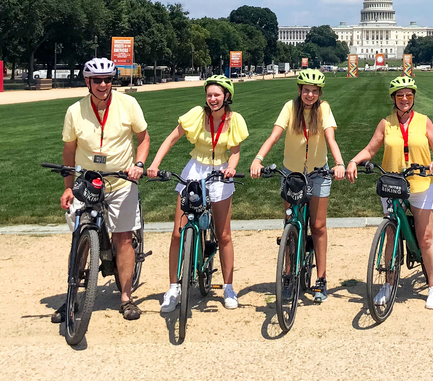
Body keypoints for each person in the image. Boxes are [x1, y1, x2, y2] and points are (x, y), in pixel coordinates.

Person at [55, 57, 150, 322]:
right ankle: (73, 296)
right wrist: (67, 188)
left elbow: (143, 139)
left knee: (123, 239)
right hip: (87, 182)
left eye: (108, 79)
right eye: (97, 80)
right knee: (80, 237)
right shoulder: (75, 111)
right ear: (87, 82)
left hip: (121, 181)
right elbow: (69, 150)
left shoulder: (128, 104)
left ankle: (126, 298)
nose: (103, 84)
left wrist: (139, 164)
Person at [147, 75, 248, 311]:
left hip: (221, 171)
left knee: (223, 235)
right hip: (195, 169)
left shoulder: (235, 119)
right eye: (209, 95)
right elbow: (172, 139)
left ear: (227, 97)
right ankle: (173, 288)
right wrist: (154, 164)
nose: (212, 99)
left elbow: (235, 150)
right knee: (177, 233)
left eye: (217, 95)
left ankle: (228, 287)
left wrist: (232, 168)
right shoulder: (197, 114)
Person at [346, 76, 433, 309]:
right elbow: (371, 149)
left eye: (408, 95)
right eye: (400, 95)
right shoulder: (386, 123)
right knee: (390, 235)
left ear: (413, 98)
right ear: (393, 98)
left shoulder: (424, 121)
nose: (404, 99)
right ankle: (389, 284)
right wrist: (353, 161)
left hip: (420, 183)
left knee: (426, 238)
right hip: (393, 185)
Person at [248, 69, 346, 303]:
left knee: (319, 226)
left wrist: (339, 163)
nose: (310, 95)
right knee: (290, 224)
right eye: (306, 90)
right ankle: (289, 273)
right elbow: (274, 136)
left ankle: (321, 279)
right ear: (299, 90)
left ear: (319, 93)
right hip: (292, 173)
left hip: (317, 172)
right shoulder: (290, 108)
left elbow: (330, 138)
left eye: (314, 91)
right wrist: (258, 158)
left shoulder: (324, 109)